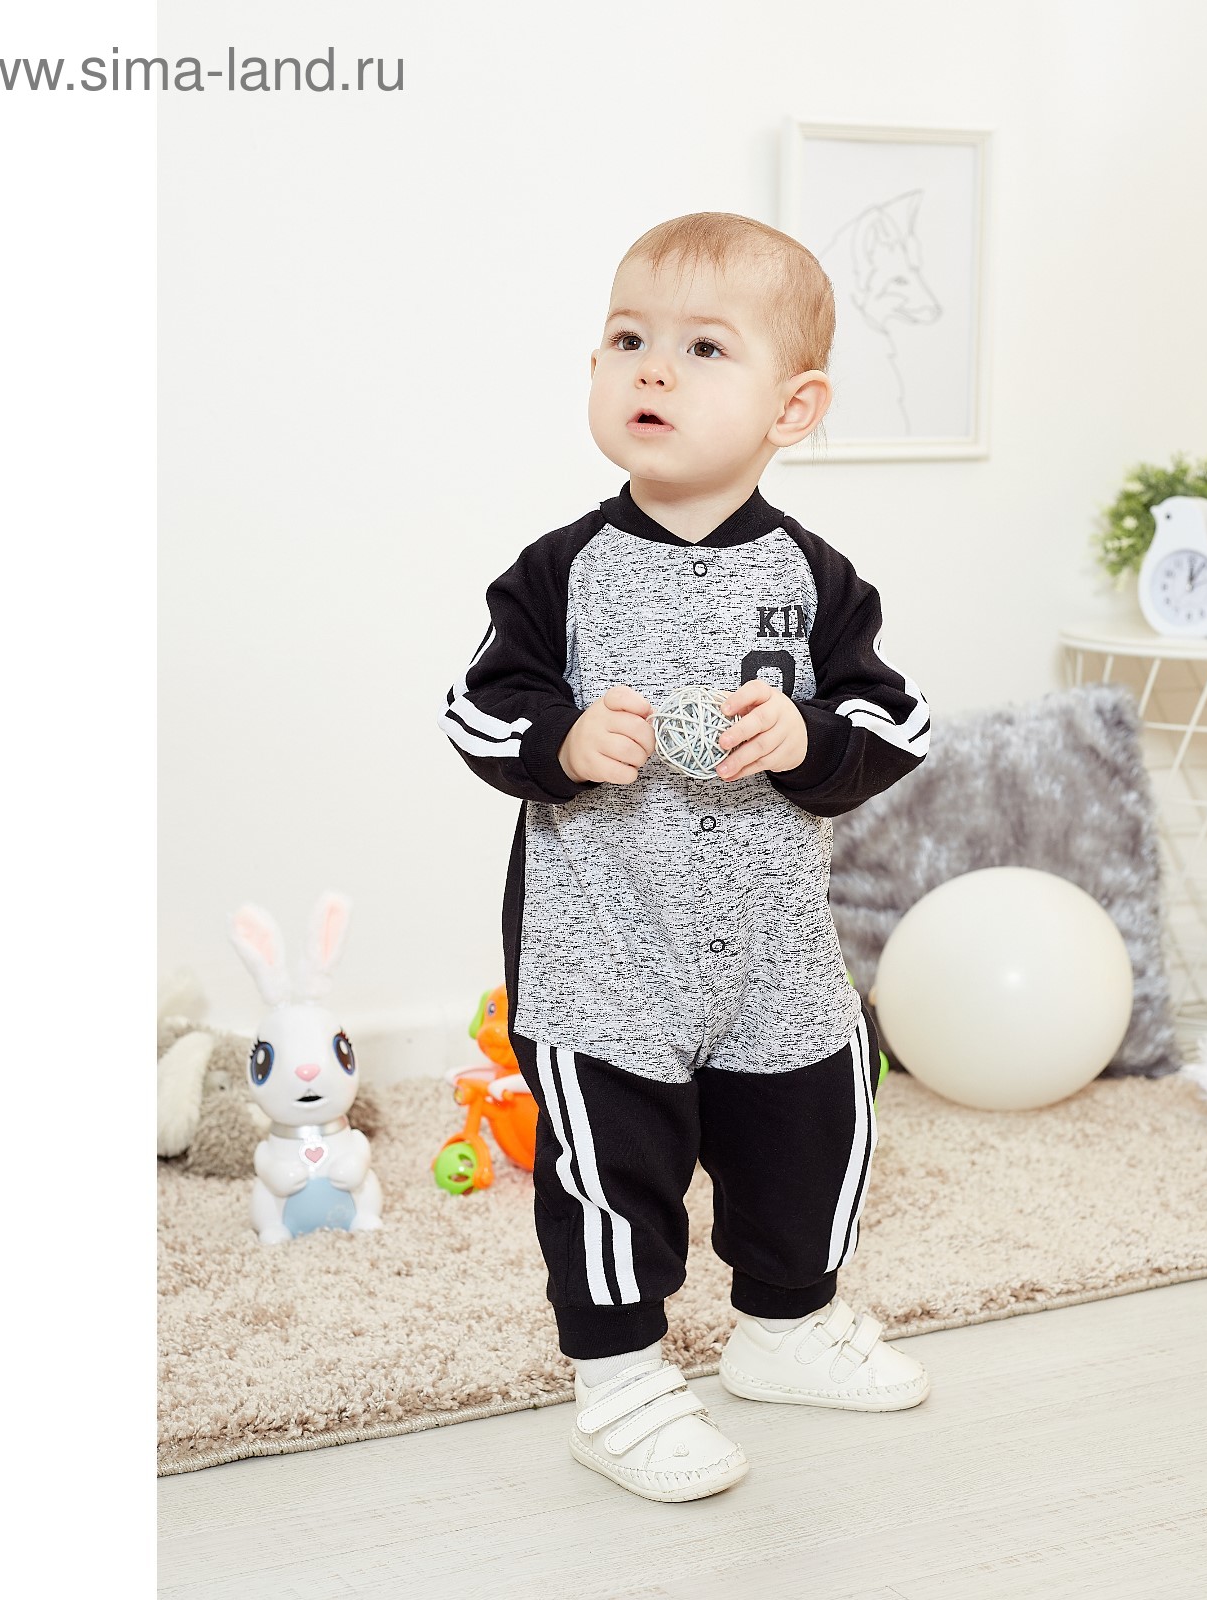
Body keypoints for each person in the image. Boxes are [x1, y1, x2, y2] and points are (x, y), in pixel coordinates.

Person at [438, 212, 933, 1503]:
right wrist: (562, 739)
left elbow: (896, 723)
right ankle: (618, 1381)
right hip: (607, 948)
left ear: (793, 407)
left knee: (808, 1131)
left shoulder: (815, 579)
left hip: (773, 953)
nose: (651, 368)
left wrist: (809, 738)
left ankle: (785, 1328)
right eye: (627, 340)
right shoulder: (560, 573)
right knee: (615, 1169)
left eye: (704, 347)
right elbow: (477, 707)